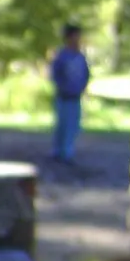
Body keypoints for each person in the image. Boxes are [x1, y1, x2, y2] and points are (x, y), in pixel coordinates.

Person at [49, 23, 91, 165]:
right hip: (63, 96)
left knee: (73, 125)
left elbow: (86, 73)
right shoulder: (62, 56)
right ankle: (58, 151)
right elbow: (55, 74)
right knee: (62, 124)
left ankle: (67, 151)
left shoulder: (80, 57)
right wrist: (62, 87)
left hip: (76, 96)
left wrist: (83, 87)